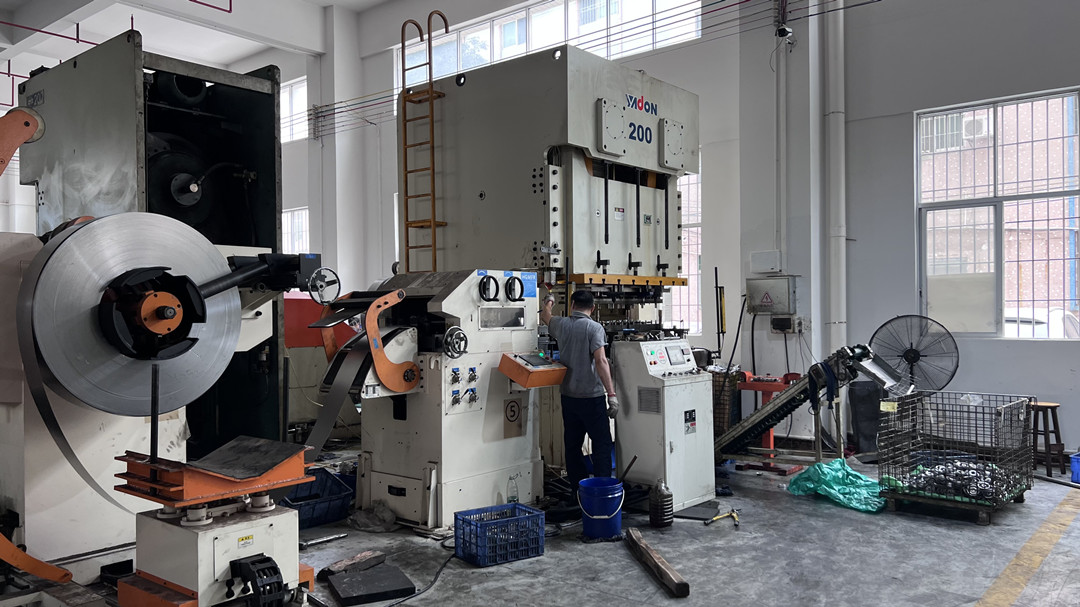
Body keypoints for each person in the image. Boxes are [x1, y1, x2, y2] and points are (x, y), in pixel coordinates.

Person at [540, 290, 618, 489]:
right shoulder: (595, 328)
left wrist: (549, 301)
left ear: (572, 305)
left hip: (569, 397)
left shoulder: (561, 324)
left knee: (573, 446)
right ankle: (601, 490)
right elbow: (601, 361)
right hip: (592, 398)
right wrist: (611, 394)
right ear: (593, 308)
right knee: (601, 445)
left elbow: (545, 316)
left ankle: (577, 492)